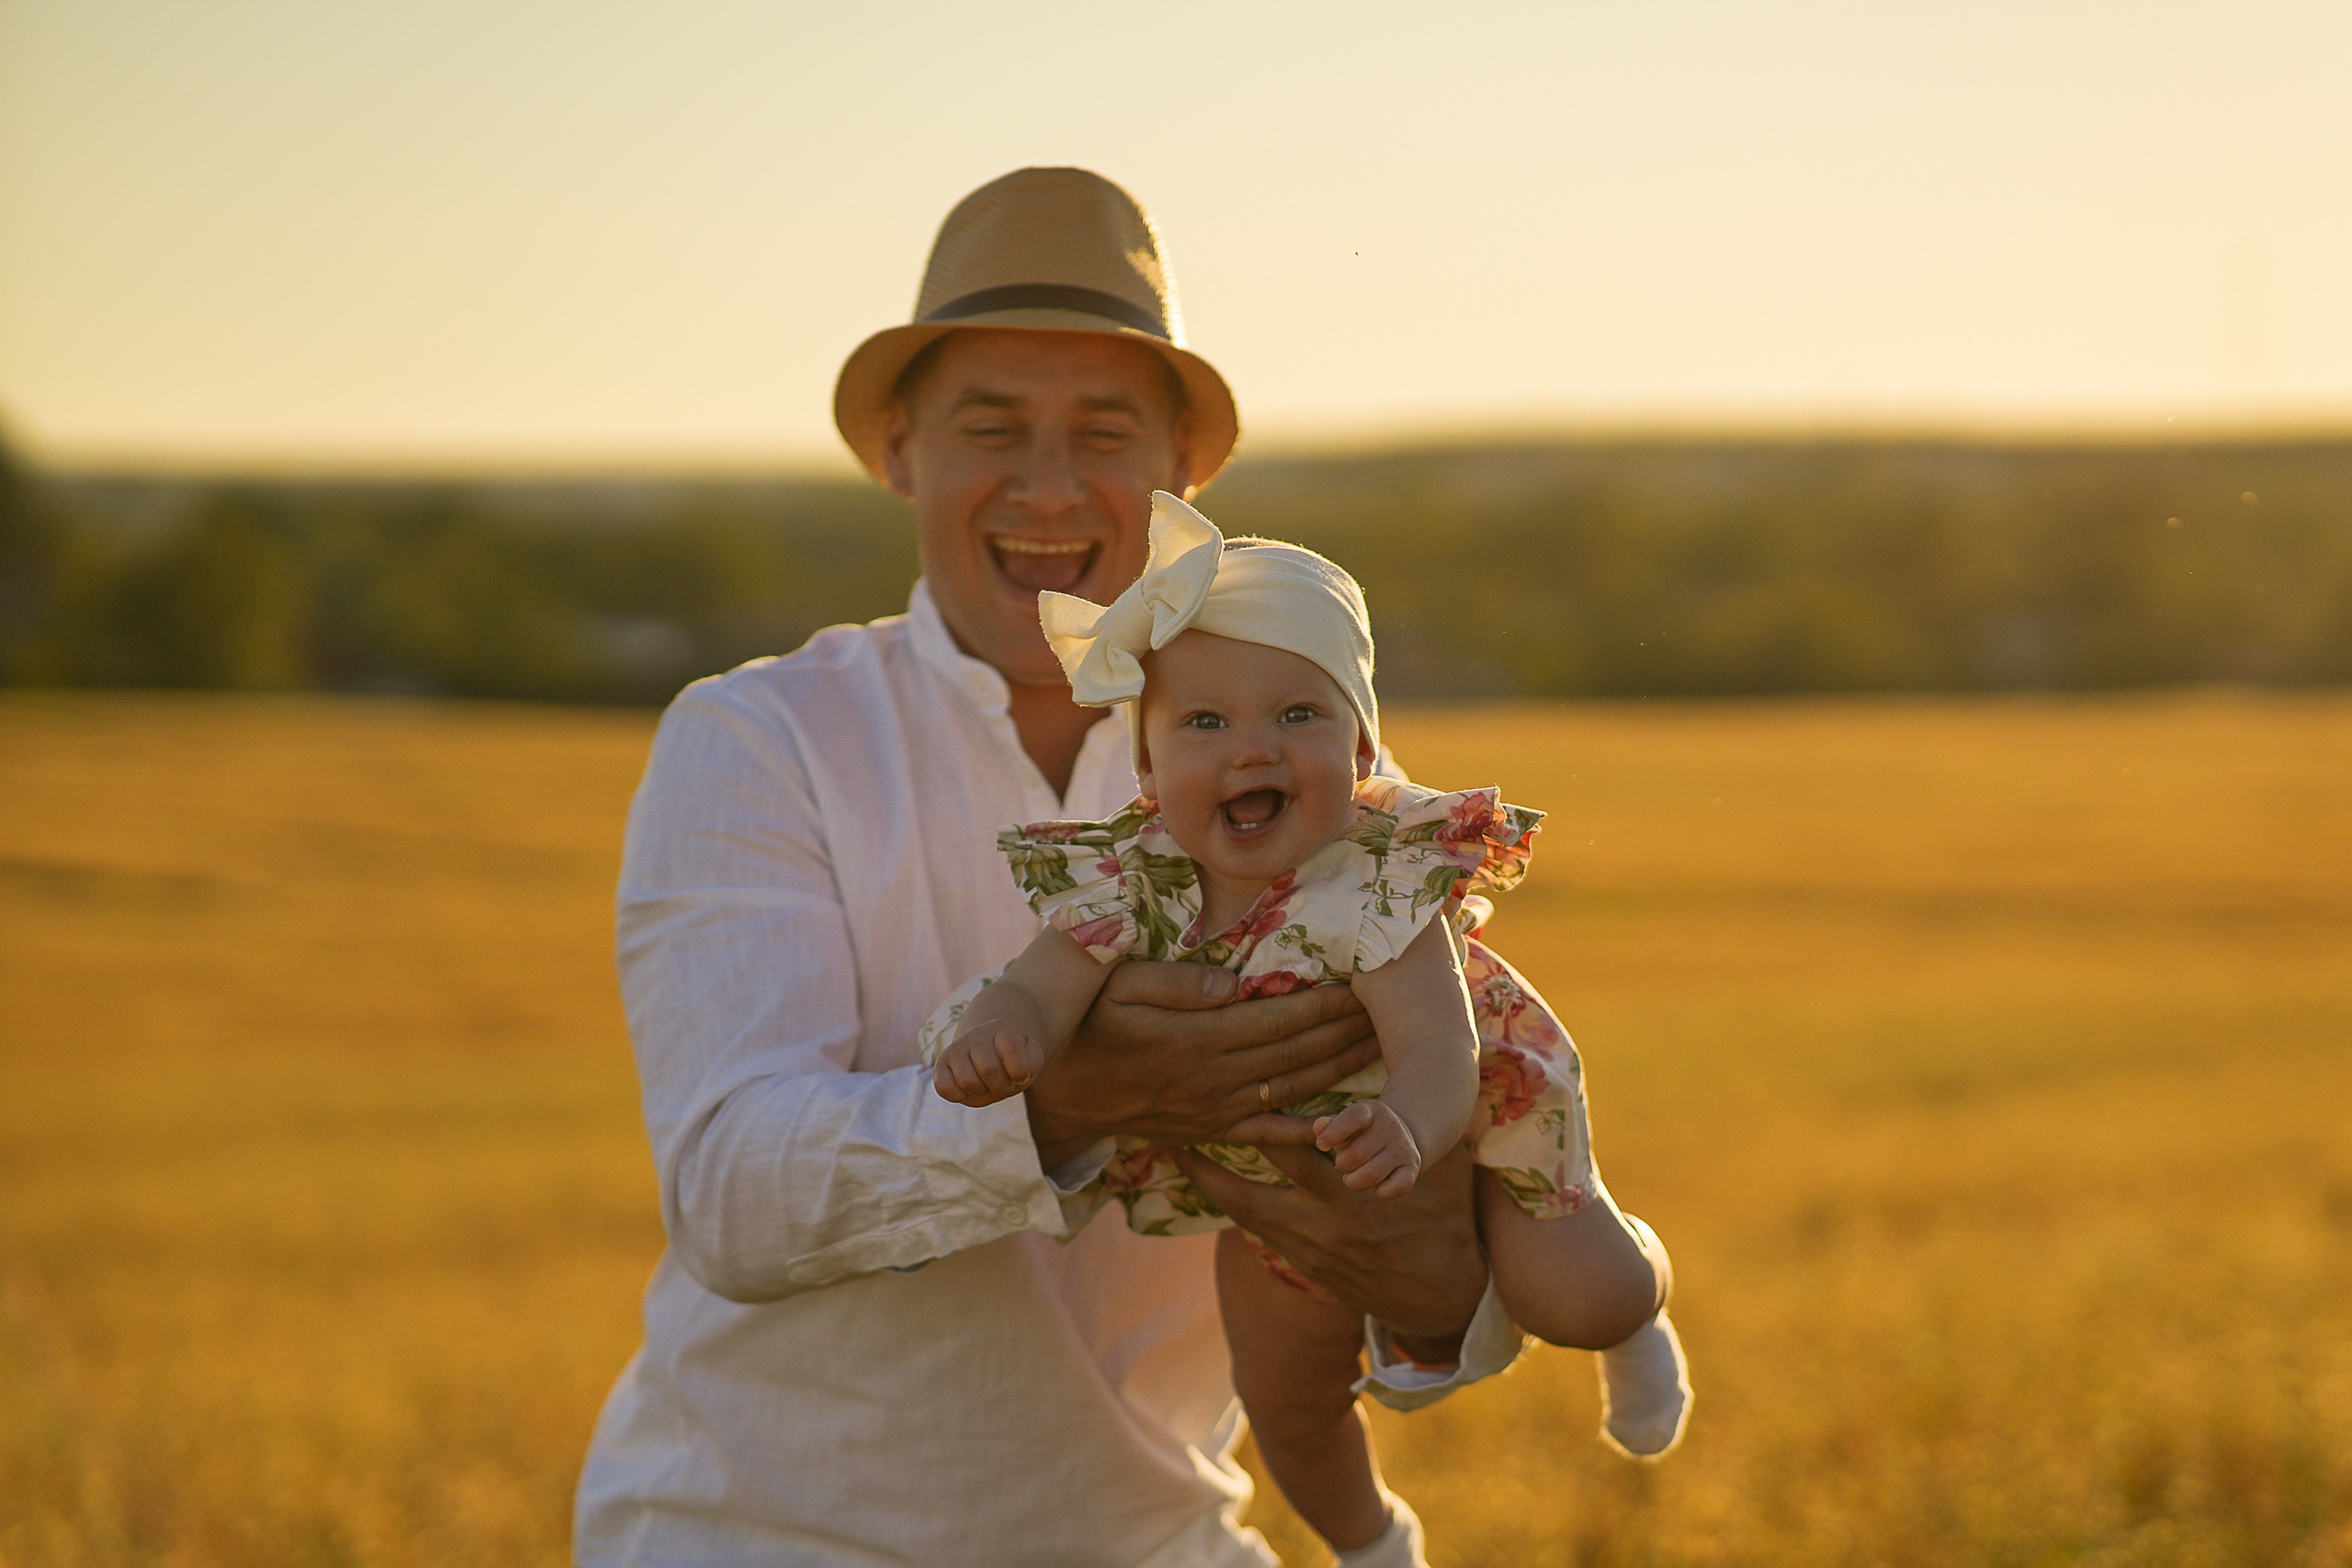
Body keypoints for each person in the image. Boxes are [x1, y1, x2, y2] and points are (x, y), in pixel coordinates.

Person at [575, 168, 1537, 1568]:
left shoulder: (1303, 775)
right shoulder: (760, 737)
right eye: (991, 427)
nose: (1048, 485)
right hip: (761, 1534)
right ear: (900, 448)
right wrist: (1064, 1103)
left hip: (1163, 1540)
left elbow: (1438, 1277)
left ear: (1183, 473)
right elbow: (733, 1190)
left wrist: (1436, 1282)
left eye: (1103, 430)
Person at [923, 491, 1688, 1562]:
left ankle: (1639, 1320)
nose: (1252, 751)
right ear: (1145, 773)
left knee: (1582, 1296)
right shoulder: (1133, 877)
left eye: (1297, 717)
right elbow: (1037, 984)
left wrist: (1411, 1135)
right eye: (1203, 723)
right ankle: (1375, 1544)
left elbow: (1437, 1049)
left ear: (1363, 750)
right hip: (1273, 1175)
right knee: (1279, 1399)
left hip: (1460, 1127)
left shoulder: (1374, 880)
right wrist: (999, 1037)